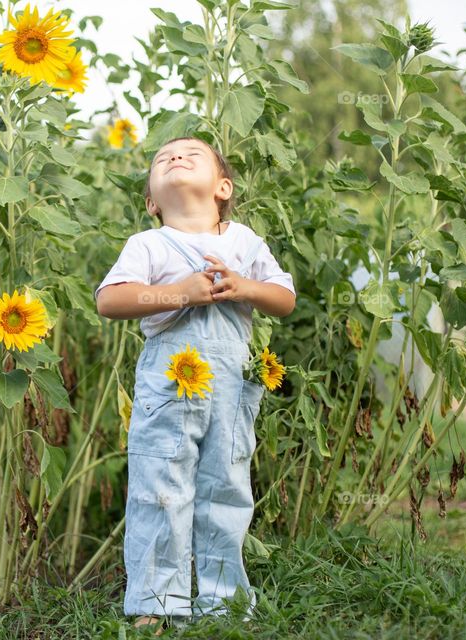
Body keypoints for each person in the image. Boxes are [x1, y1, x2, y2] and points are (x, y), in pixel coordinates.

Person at [94, 136, 297, 633]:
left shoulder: (244, 243)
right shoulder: (149, 244)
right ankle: (157, 601)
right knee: (159, 488)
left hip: (229, 393)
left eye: (191, 154)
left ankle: (223, 601)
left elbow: (283, 297)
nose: (175, 158)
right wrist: (176, 293)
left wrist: (243, 286)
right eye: (163, 158)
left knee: (226, 489)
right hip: (168, 391)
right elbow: (110, 300)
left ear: (222, 187)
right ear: (151, 202)